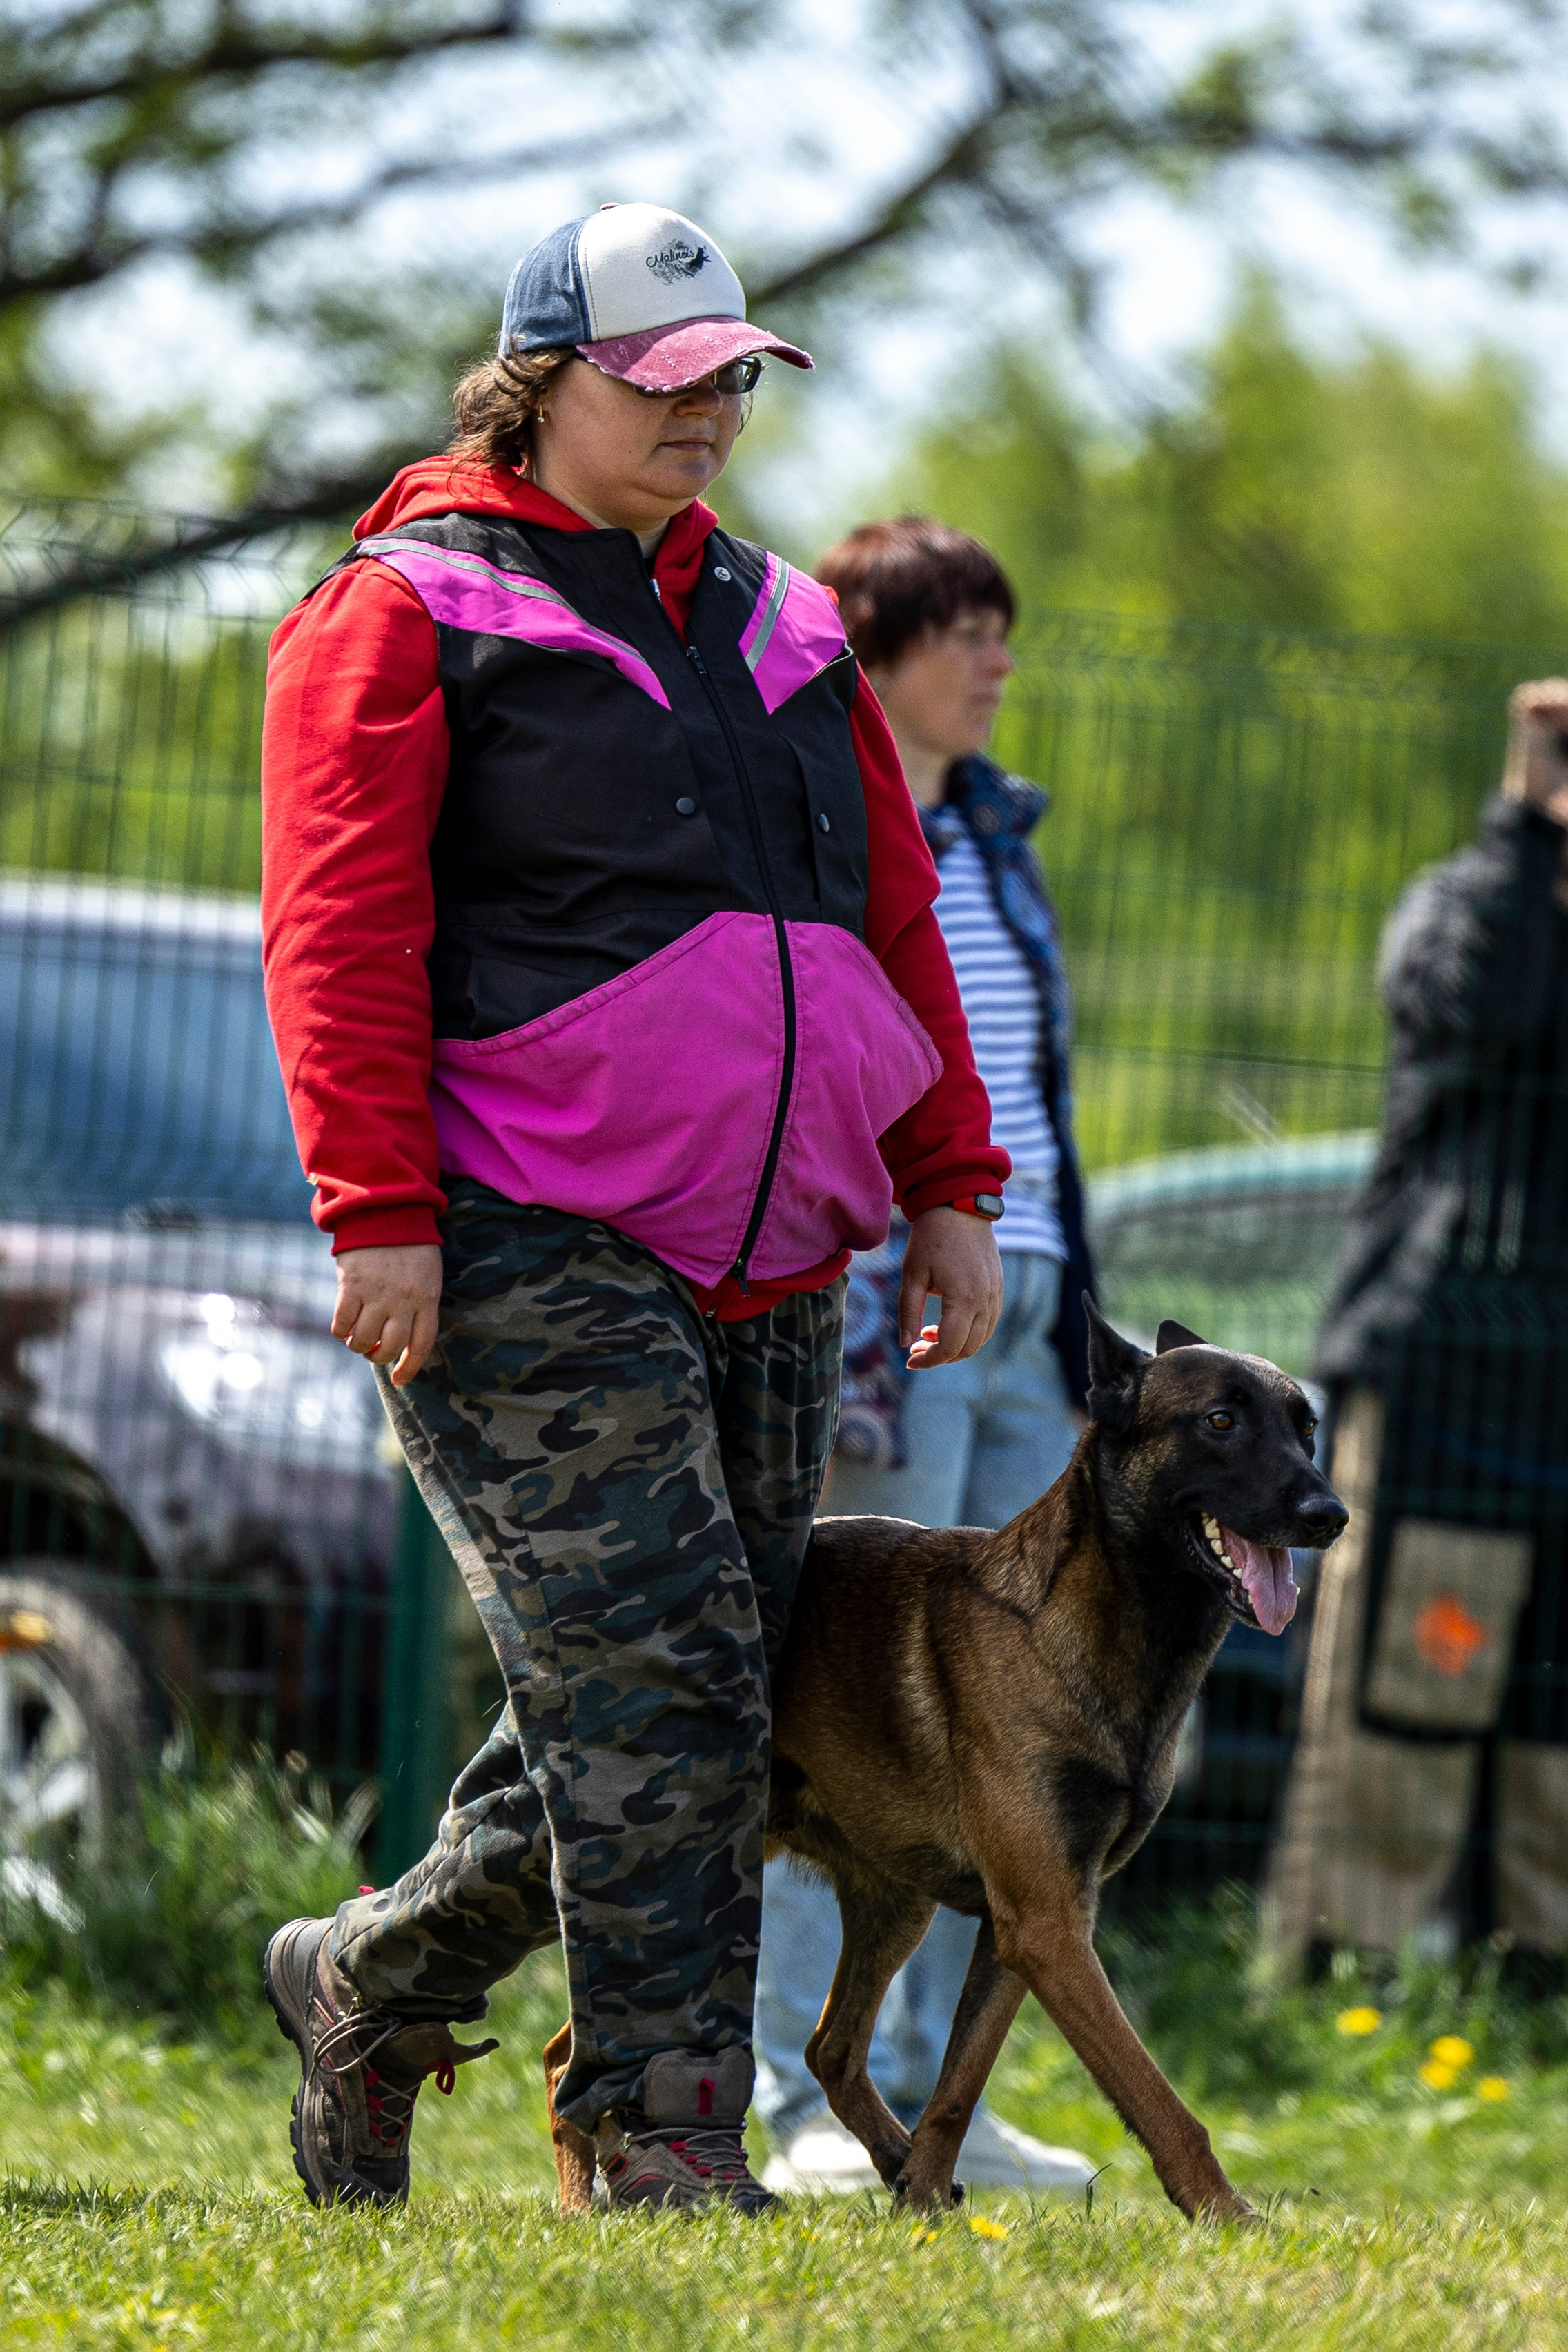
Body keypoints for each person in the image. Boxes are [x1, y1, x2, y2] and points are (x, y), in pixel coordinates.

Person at [256, 204, 1012, 2215]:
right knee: (667, 1677)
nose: (709, 419)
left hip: (777, 1242)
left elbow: (894, 915)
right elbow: (337, 931)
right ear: (541, 378)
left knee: (694, 1685)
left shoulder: (783, 621)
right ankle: (662, 2140)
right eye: (663, 384)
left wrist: (946, 1181)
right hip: (514, 1227)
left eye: (735, 383)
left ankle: (366, 1975)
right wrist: (376, 1208)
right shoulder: (405, 607)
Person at [753, 519, 1097, 2195]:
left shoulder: (993, 827)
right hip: (906, 1288)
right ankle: (793, 2093)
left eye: (998, 630)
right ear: (874, 649)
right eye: (964, 631)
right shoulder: (821, 805)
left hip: (1024, 1283)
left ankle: (917, 2097)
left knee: (983, 1714)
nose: (995, 662)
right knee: (841, 1714)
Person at [1270, 679, 1568, 1967]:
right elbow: (1471, 1009)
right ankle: (1359, 1965)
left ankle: (1539, 1975)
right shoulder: (1463, 907)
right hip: (1450, 1369)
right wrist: (1528, 824)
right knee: (1415, 1677)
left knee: (1557, 1706)